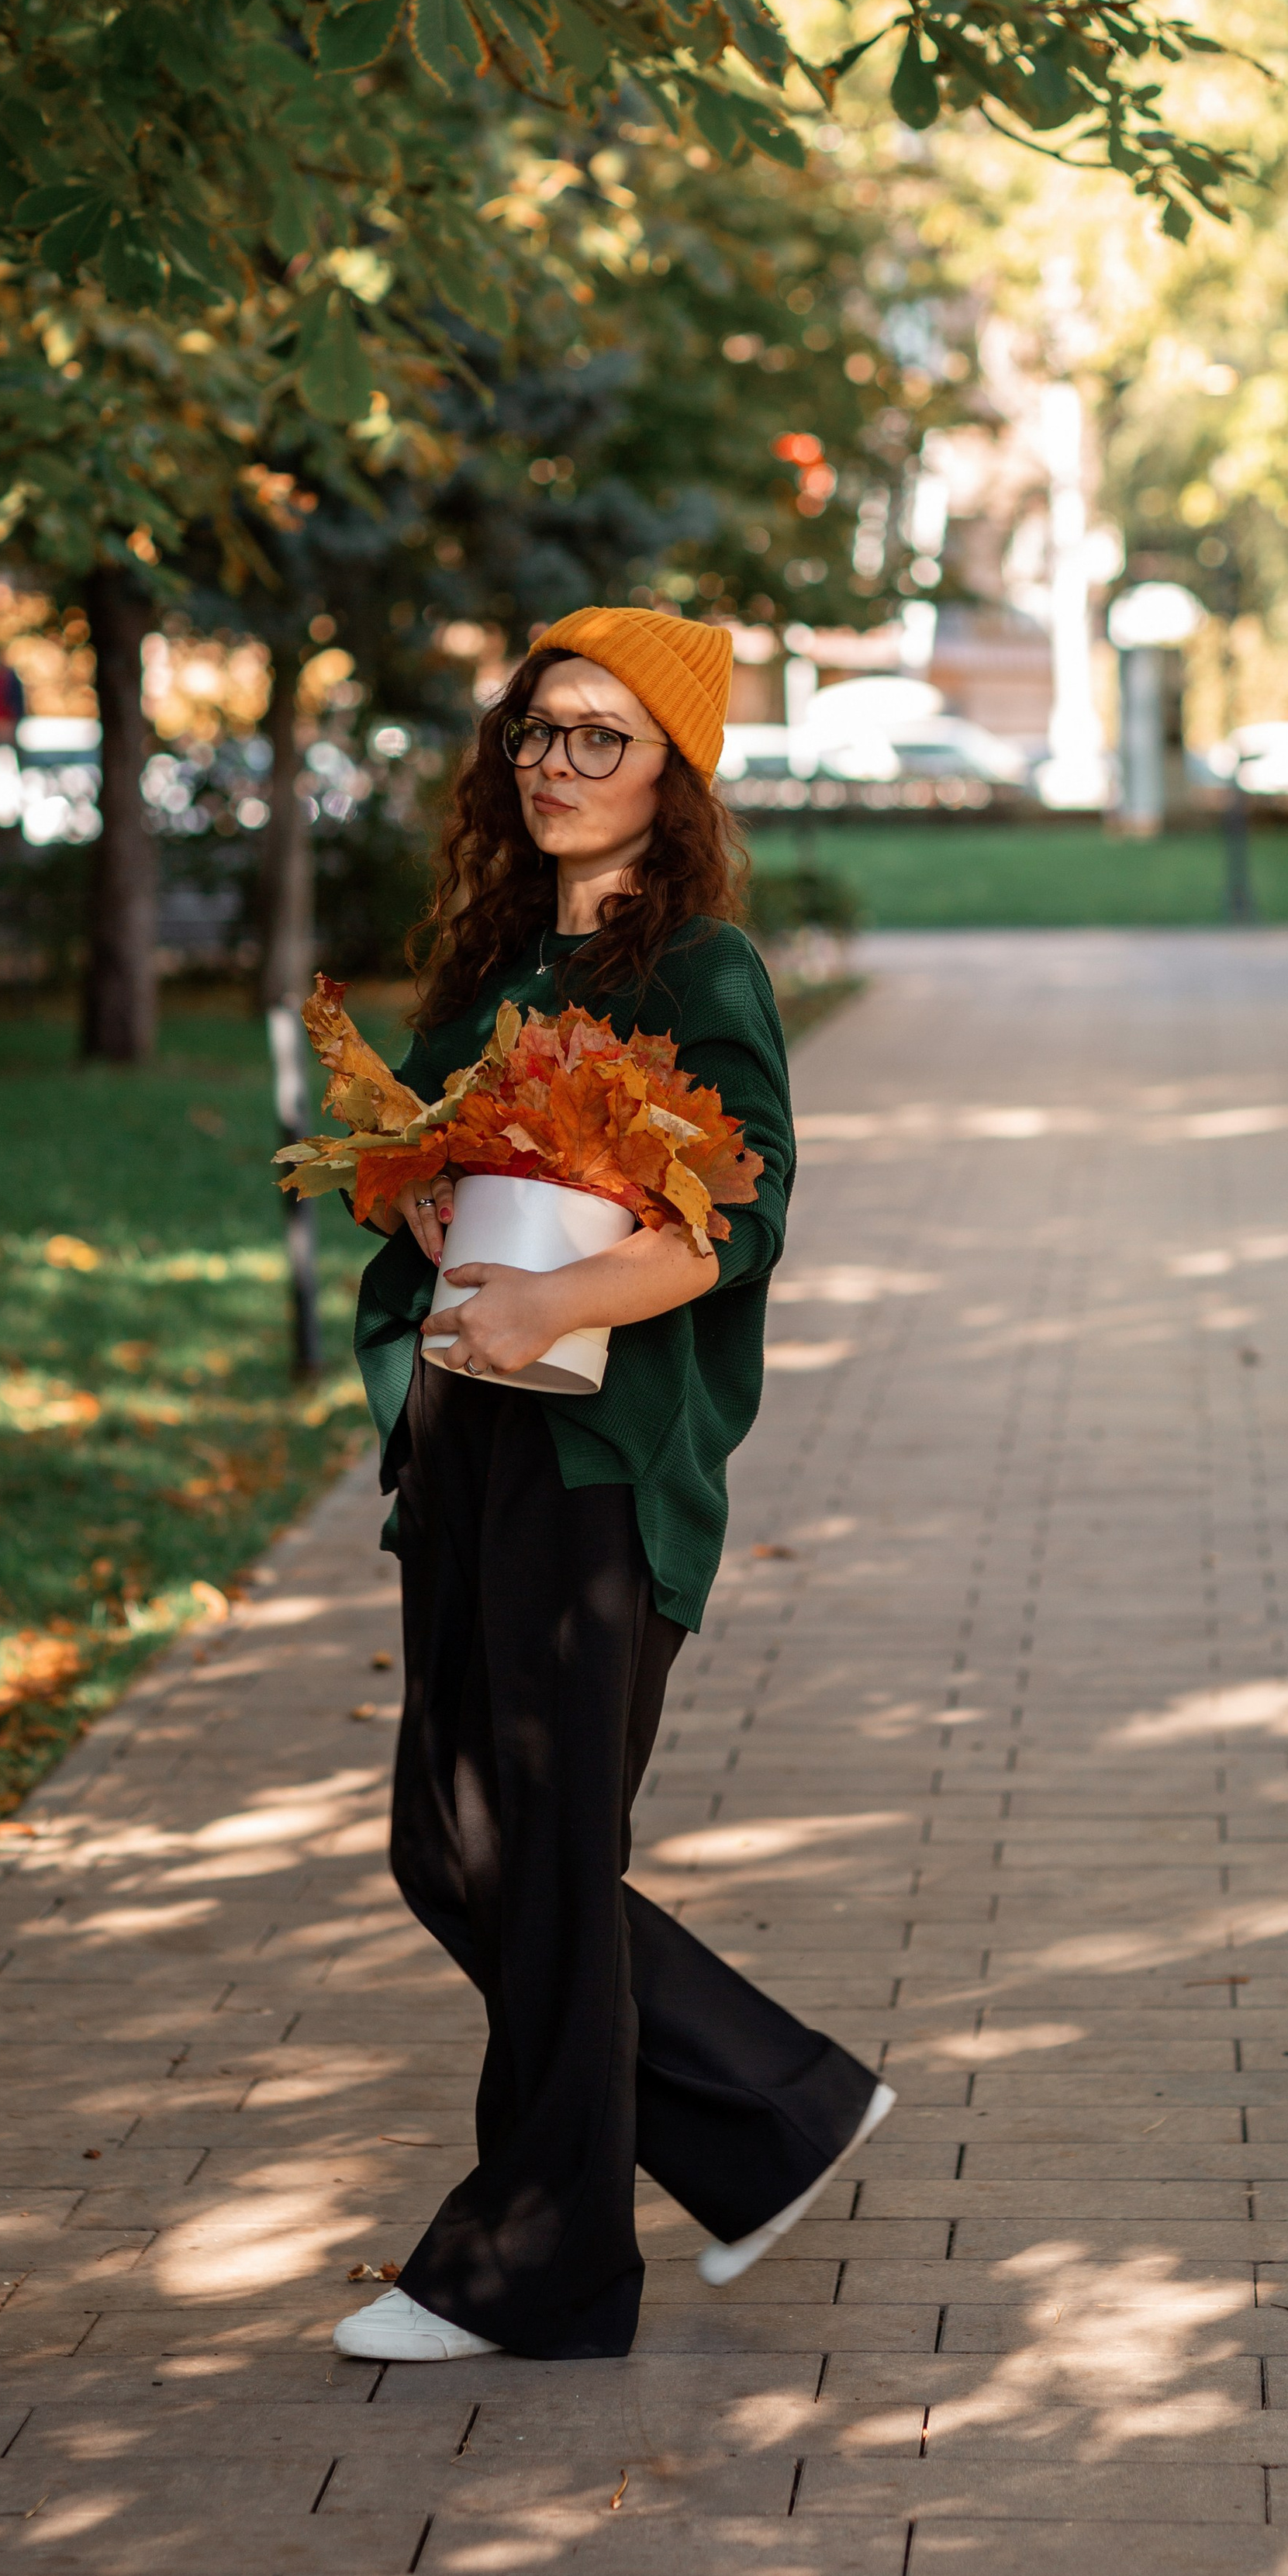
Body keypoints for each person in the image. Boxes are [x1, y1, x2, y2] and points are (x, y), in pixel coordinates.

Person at [331, 606, 892, 2367]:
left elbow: (735, 1215)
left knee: (545, 1853)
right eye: (536, 733)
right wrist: (417, 1199)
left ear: (673, 772)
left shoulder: (699, 970)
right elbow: (395, 1164)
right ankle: (774, 2107)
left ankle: (539, 2261)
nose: (554, 766)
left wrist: (556, 1296)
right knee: (455, 1843)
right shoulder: (502, 975)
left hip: (594, 1463)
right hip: (469, 1442)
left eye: (599, 737)